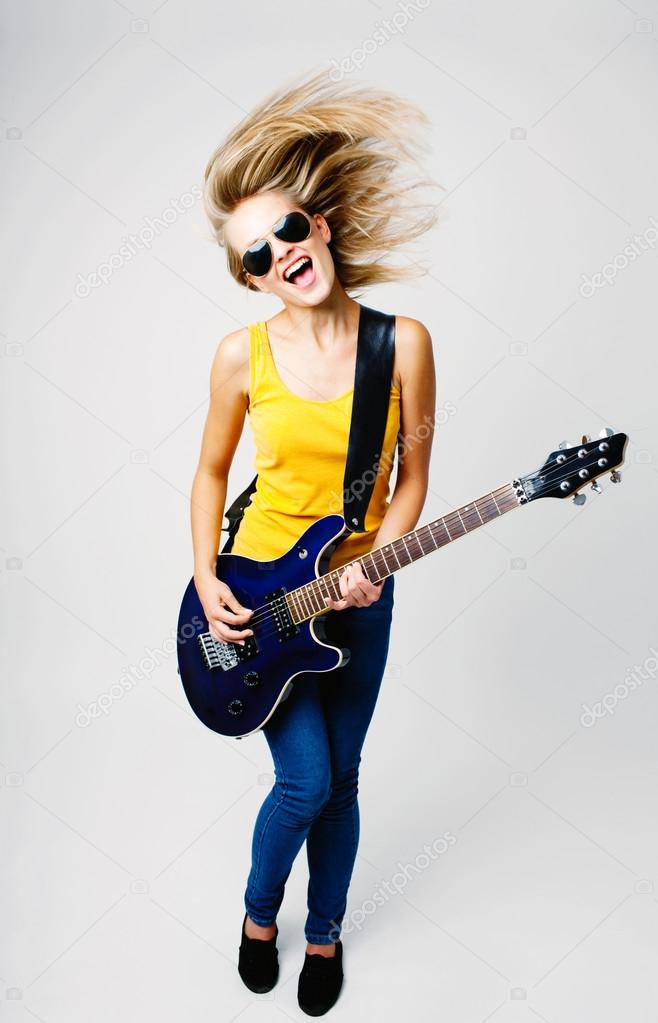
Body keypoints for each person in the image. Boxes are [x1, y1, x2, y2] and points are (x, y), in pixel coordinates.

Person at [191, 68, 439, 1016]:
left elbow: (411, 474)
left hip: (361, 594)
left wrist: (383, 558)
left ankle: (324, 931)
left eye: (288, 229)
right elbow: (210, 475)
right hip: (257, 593)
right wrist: (206, 572)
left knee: (347, 779)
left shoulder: (402, 343)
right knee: (307, 779)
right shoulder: (238, 357)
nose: (281, 254)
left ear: (321, 226)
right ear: (251, 277)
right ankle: (262, 913)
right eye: (257, 255)